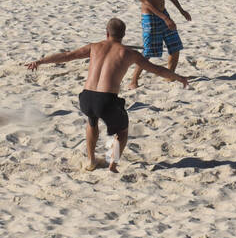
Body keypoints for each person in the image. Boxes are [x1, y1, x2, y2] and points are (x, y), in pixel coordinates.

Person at [26, 17, 189, 172]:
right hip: (106, 101)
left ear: (107, 33)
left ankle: (91, 160)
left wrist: (40, 61)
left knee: (92, 122)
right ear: (123, 35)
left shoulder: (94, 47)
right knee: (122, 131)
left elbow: (67, 56)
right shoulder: (129, 53)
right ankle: (113, 163)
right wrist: (179, 77)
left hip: (86, 98)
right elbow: (158, 70)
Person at [124, 0, 190, 89]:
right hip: (149, 16)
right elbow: (147, 2)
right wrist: (166, 18)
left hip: (164, 12)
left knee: (175, 47)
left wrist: (181, 10)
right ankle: (133, 81)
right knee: (148, 51)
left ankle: (170, 76)